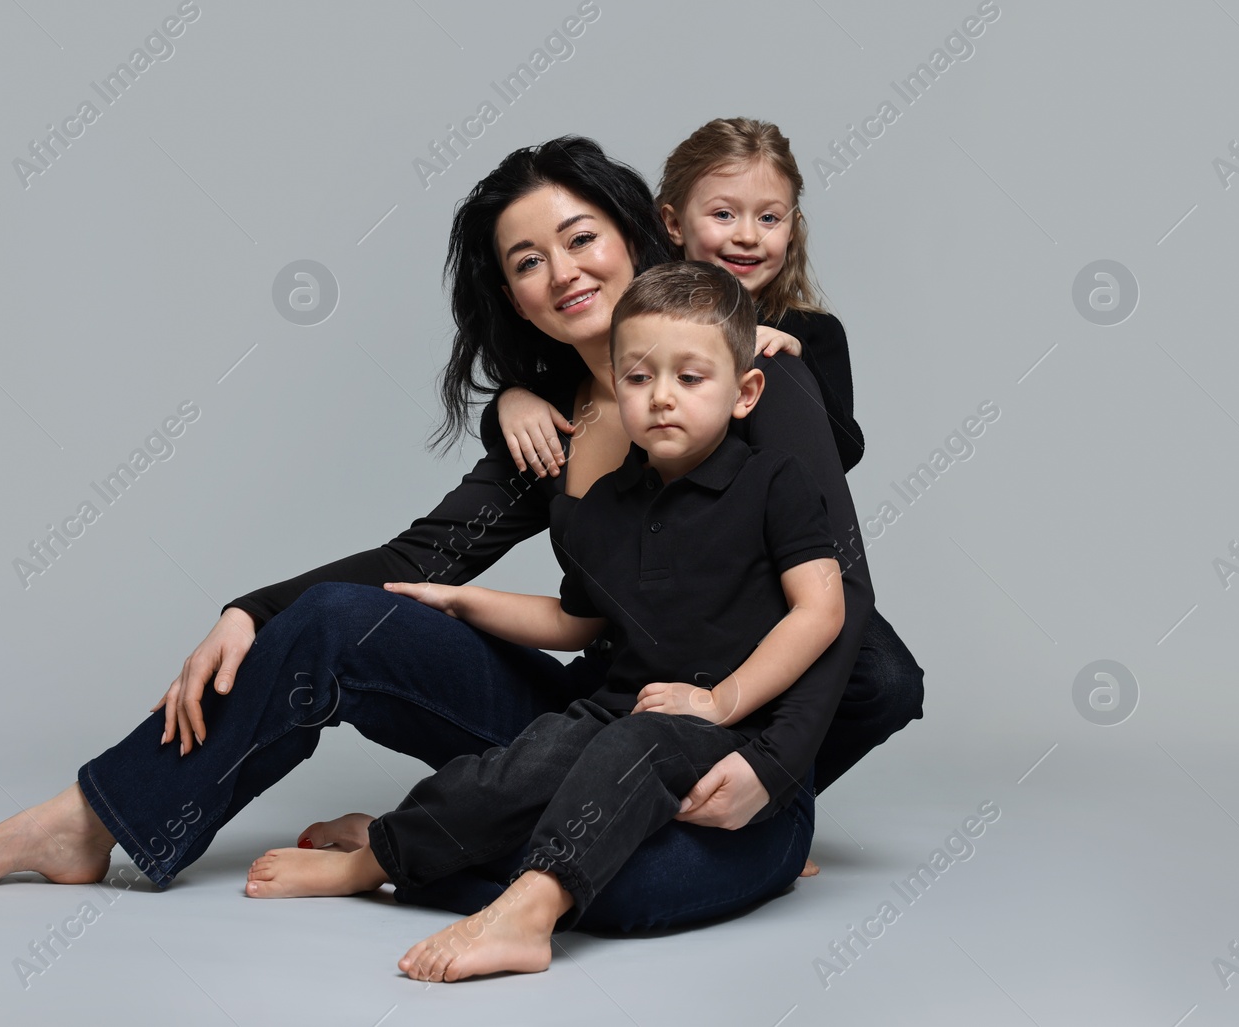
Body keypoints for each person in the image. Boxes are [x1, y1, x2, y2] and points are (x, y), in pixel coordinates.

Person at [0, 134, 907, 932]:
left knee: (634, 893)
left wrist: (774, 772)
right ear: (506, 293)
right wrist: (253, 609)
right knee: (342, 620)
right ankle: (94, 819)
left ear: (638, 231)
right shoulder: (544, 425)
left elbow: (840, 599)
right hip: (595, 718)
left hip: (726, 745)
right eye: (526, 260)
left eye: (579, 236)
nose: (561, 271)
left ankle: (399, 848)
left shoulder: (753, 375)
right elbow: (420, 562)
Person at [243, 261, 846, 984]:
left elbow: (823, 610)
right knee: (509, 772)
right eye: (639, 377)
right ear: (613, 385)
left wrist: (722, 700)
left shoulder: (774, 482)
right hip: (620, 708)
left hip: (728, 723)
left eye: (691, 378)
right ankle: (376, 857)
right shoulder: (606, 506)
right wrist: (465, 600)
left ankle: (532, 910)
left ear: (745, 392)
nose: (662, 399)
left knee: (635, 748)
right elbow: (572, 621)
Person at [489, 118, 922, 845]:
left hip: (773, 559)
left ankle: (760, 797)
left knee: (880, 674)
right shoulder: (645, 310)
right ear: (672, 224)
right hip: (669, 575)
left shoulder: (797, 344)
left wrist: (779, 373)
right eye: (723, 215)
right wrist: (510, 397)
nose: (747, 235)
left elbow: (836, 458)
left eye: (769, 217)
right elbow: (593, 368)